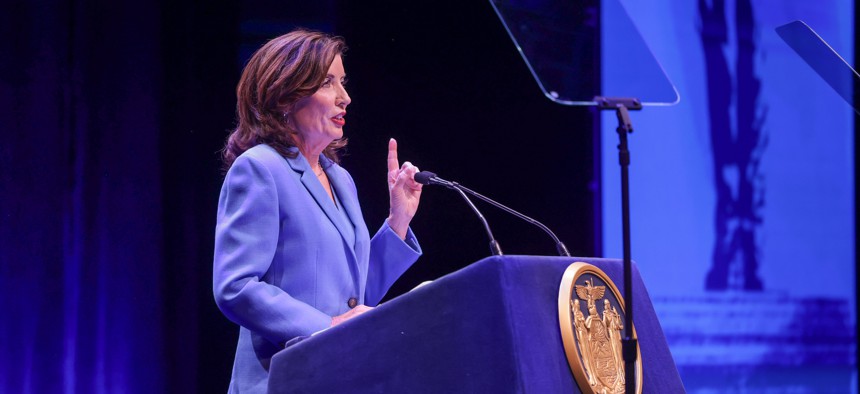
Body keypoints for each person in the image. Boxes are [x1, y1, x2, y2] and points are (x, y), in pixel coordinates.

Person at [212, 29, 424, 393]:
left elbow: (354, 298)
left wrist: (398, 221)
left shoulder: (340, 179)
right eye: (328, 83)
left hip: (340, 378)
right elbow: (236, 286)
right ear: (285, 96)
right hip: (281, 381)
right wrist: (328, 328)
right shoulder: (261, 169)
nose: (346, 98)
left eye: (342, 82)